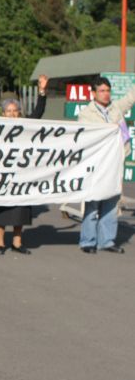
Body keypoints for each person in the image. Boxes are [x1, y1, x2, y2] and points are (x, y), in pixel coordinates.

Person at [77, 76, 134, 254]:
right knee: (93, 204)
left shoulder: (115, 108)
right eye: (101, 90)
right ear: (93, 93)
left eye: (108, 90)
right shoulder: (86, 114)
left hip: (115, 163)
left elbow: (130, 98)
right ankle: (88, 241)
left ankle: (107, 241)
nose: (106, 94)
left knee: (111, 203)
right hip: (97, 165)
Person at [0, 74, 47, 255]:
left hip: (22, 175)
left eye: (15, 110)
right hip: (3, 175)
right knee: (2, 209)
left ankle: (17, 242)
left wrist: (42, 91)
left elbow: (38, 112)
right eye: (9, 111)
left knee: (21, 209)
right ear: (3, 113)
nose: (13, 114)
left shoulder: (25, 126)